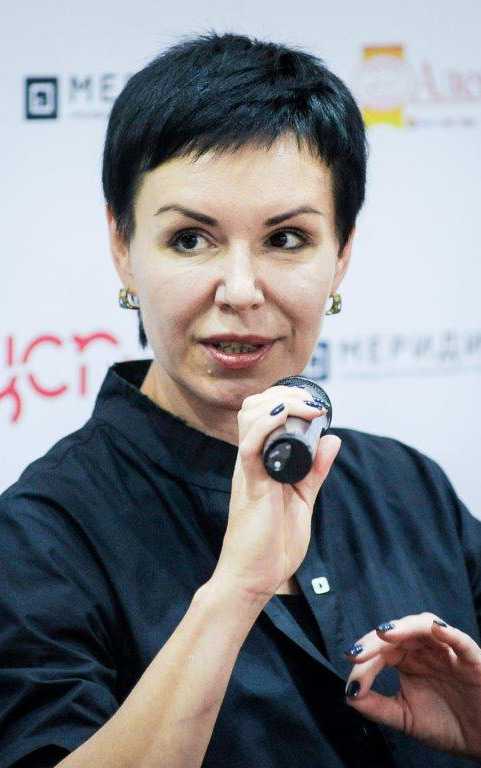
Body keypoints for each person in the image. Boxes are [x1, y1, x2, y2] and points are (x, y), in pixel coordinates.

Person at [1, 29, 480, 768]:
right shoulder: (40, 537)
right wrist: (234, 592)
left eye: (286, 239)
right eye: (190, 239)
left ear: (341, 254)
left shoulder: (409, 488)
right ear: (123, 246)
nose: (240, 291)